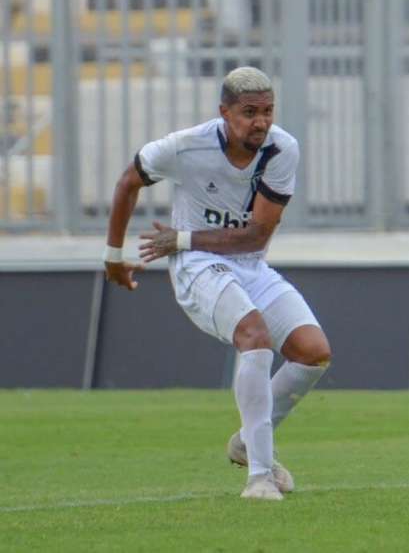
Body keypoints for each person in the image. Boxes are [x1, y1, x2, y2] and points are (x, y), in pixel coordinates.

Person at [103, 66, 332, 501]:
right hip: (197, 266)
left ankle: (246, 442)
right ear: (224, 113)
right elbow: (128, 181)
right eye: (249, 112)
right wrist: (114, 255)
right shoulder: (186, 147)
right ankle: (260, 477)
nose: (261, 122)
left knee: (313, 353)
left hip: (245, 262)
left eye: (267, 111)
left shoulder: (282, 149)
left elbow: (257, 235)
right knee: (255, 337)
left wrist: (180, 236)